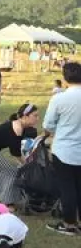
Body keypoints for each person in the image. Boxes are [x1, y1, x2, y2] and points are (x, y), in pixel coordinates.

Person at [0, 104, 40, 208]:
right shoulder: (17, 128)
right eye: (35, 115)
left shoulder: (18, 125)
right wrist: (25, 164)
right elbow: (15, 152)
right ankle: (8, 203)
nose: (37, 118)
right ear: (25, 117)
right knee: (12, 172)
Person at [44, 62, 81, 235]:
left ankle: (69, 224)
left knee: (67, 188)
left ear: (65, 79)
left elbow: (48, 125)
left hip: (64, 149)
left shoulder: (59, 98)